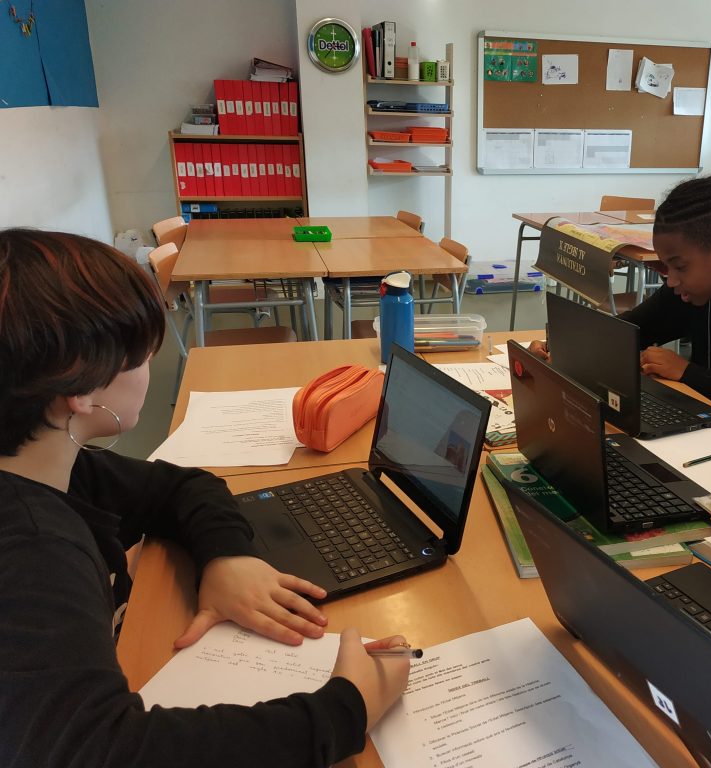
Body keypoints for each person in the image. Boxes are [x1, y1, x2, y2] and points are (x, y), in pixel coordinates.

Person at [0, 229, 409, 767]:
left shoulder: (55, 463)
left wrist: (225, 559)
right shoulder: (31, 551)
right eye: (141, 357)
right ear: (81, 389)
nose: (149, 368)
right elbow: (101, 752)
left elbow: (183, 486)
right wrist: (345, 711)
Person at [531, 175, 711, 434]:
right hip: (703, 431)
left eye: (680, 267)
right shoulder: (694, 291)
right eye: (666, 268)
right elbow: (626, 330)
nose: (671, 281)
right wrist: (560, 346)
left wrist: (689, 374)